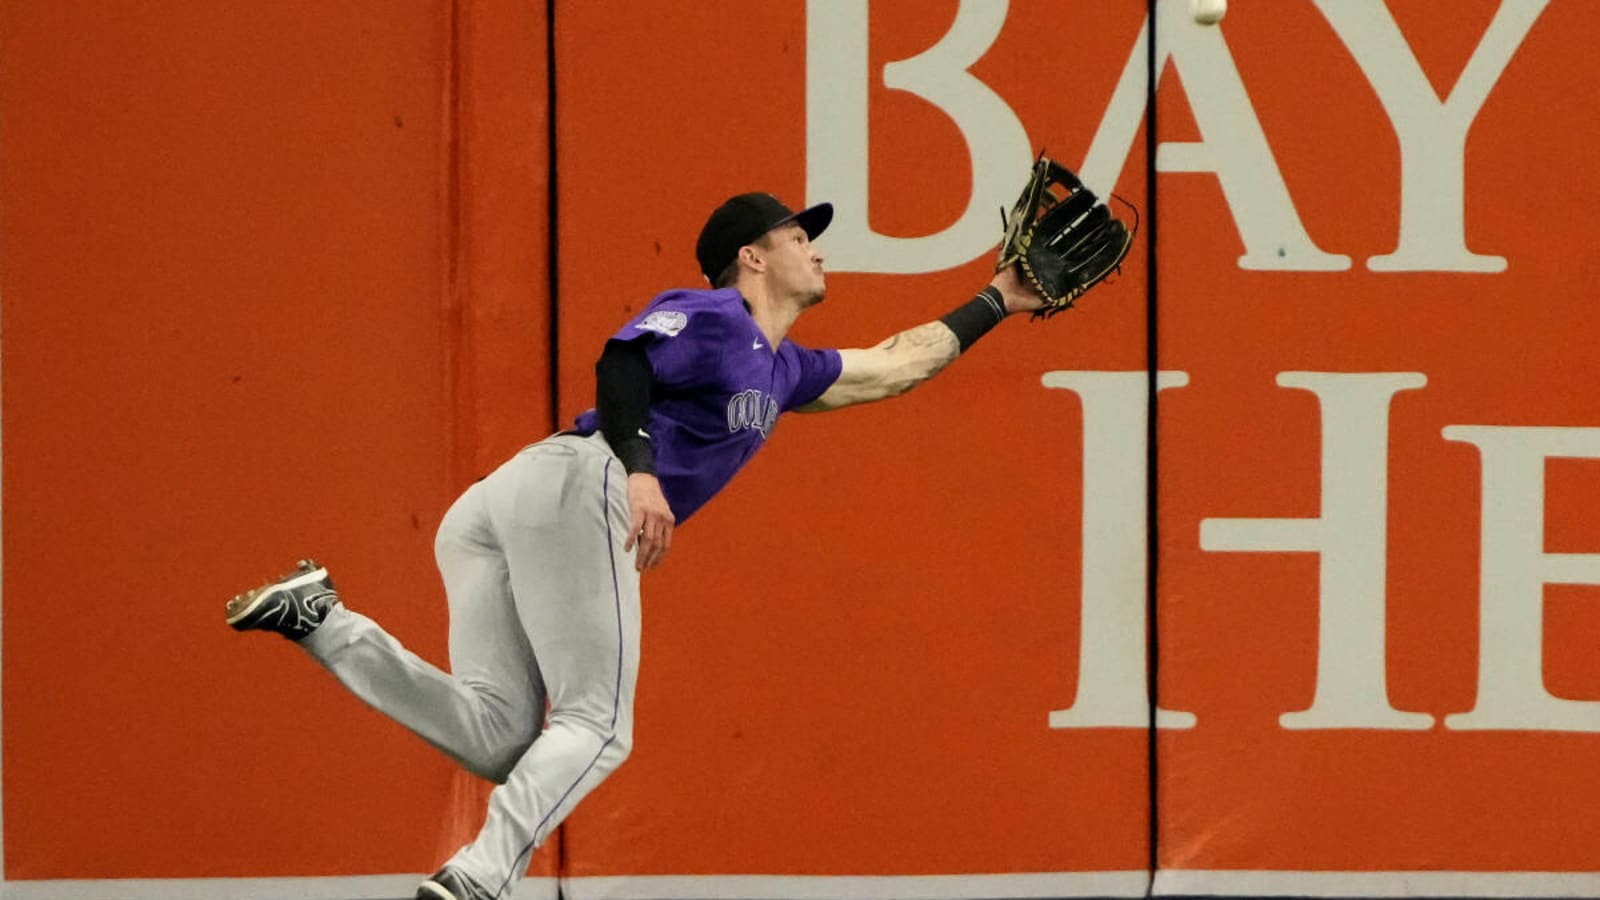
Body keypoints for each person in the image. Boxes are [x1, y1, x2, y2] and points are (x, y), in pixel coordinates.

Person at [225, 191, 1047, 900]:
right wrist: (640, 471)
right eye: (800, 236)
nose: (817, 247)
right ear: (752, 257)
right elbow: (624, 362)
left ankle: (322, 620)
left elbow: (898, 365)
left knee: (500, 737)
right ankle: (480, 876)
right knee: (598, 725)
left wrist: (998, 299)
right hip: (584, 480)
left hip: (505, 505)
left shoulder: (782, 367)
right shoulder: (718, 313)